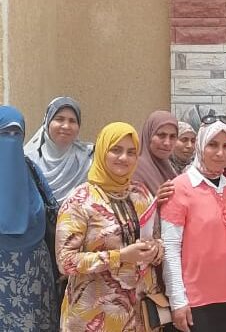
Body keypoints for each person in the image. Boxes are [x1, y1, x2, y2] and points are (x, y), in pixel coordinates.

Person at [56, 122, 163, 331]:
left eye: (131, 152)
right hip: (94, 317)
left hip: (139, 315)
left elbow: (158, 240)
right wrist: (120, 256)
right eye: (116, 150)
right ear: (102, 151)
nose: (124, 158)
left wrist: (155, 249)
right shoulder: (80, 200)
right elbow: (65, 262)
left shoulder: (140, 193)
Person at [161, 117, 226, 332]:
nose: (220, 153)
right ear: (200, 146)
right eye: (213, 145)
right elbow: (170, 248)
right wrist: (178, 301)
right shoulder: (179, 187)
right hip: (194, 301)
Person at [0, 105, 58, 331]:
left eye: (16, 133)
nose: (11, 139)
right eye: (4, 133)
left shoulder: (30, 168)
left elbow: (53, 207)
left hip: (34, 270)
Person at [25, 96, 93, 205]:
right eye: (59, 119)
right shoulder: (28, 160)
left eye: (72, 121)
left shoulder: (88, 158)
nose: (66, 126)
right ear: (47, 122)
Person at [133, 110, 178, 205]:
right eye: (161, 135)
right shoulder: (135, 169)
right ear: (149, 135)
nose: (167, 143)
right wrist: (155, 202)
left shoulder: (170, 168)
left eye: (172, 136)